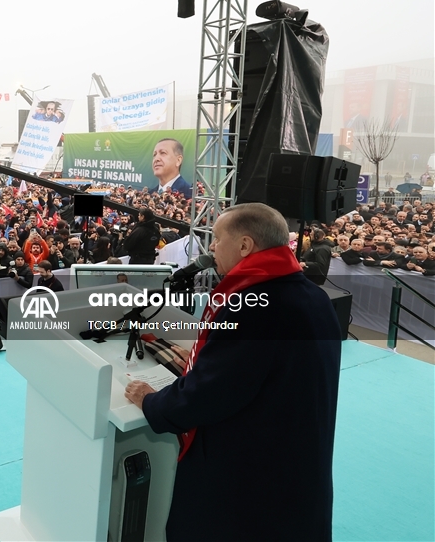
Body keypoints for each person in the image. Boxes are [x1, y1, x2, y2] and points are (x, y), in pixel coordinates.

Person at [124, 202, 341, 541]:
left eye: (217, 238)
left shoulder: (250, 306)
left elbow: (209, 397)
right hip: (296, 467)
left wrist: (150, 400)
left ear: (244, 245)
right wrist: (203, 361)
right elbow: (266, 368)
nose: (211, 247)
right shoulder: (313, 296)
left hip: (248, 483)